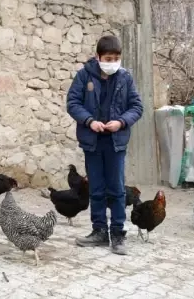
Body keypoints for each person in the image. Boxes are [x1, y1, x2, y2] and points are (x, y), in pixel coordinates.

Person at [66, 35, 143, 255]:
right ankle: (99, 231)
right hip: (92, 142)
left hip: (116, 143)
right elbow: (73, 103)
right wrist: (90, 121)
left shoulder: (125, 78)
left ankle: (118, 235)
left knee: (117, 189)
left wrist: (121, 122)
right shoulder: (84, 76)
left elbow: (136, 106)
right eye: (108, 58)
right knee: (96, 189)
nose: (113, 62)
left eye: (117, 58)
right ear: (98, 57)